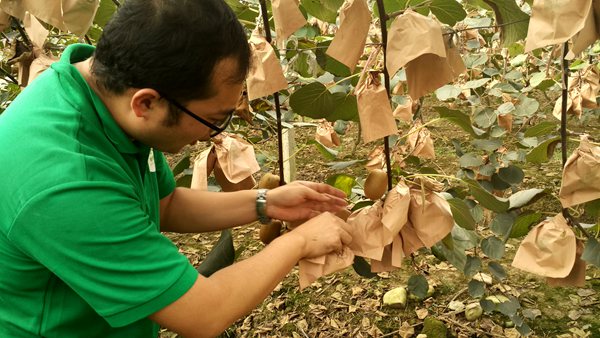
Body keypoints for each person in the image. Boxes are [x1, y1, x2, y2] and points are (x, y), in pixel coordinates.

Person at [0, 0, 353, 337]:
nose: (214, 134)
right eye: (213, 120)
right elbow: (203, 314)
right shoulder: (67, 183)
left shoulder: (102, 97)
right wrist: (300, 241)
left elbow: (165, 204)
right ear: (147, 102)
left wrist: (265, 202)